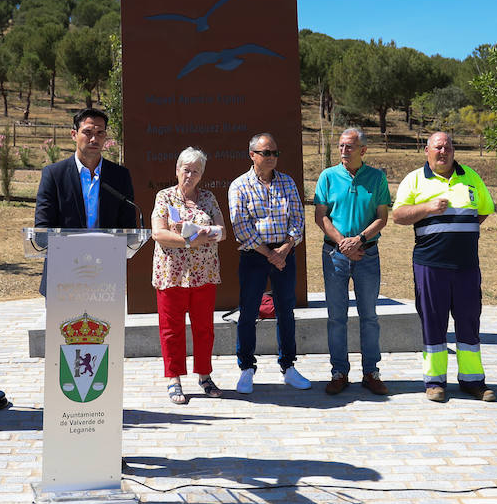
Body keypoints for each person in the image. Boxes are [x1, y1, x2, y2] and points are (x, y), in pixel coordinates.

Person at [391, 131, 497, 403]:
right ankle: (435, 382)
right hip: (430, 265)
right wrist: (427, 208)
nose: (443, 152)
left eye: (447, 147)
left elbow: (483, 209)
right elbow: (399, 215)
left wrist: (459, 230)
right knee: (433, 323)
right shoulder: (415, 179)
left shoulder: (471, 177)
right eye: (437, 147)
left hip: (466, 266)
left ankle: (473, 382)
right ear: (427, 151)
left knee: (469, 322)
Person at [228, 132, 311, 393]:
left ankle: (288, 367)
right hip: (255, 255)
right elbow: (241, 226)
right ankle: (246, 368)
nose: (272, 157)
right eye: (266, 153)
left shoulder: (287, 182)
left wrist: (284, 249)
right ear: (252, 155)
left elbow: (298, 220)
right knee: (249, 311)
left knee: (286, 310)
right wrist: (270, 254)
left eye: (275, 153)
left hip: (284, 255)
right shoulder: (239, 185)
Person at [313, 127, 391, 396]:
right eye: (341, 146)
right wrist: (343, 244)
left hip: (367, 254)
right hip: (334, 255)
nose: (344, 150)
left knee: (369, 316)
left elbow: (382, 217)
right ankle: (339, 371)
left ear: (363, 150)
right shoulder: (327, 176)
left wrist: (359, 239)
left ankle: (371, 372)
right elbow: (321, 216)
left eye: (350, 146)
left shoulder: (377, 177)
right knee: (337, 317)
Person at [150, 147, 225, 404]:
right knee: (172, 329)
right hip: (171, 273)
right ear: (177, 170)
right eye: (186, 169)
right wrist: (189, 243)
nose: (190, 175)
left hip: (204, 274)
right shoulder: (165, 197)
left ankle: (204, 375)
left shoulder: (208, 198)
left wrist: (205, 233)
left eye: (195, 171)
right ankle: (174, 379)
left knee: (204, 328)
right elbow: (158, 233)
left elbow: (222, 231)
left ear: (201, 174)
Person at [34, 109, 137, 293]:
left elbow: (128, 229)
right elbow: (43, 230)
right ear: (74, 134)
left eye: (100, 133)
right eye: (87, 132)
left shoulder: (120, 176)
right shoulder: (53, 174)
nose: (94, 139)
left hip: (105, 276)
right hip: (62, 275)